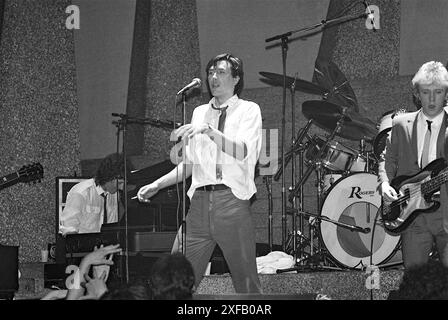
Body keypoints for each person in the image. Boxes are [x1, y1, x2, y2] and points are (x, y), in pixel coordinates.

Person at [137, 53, 263, 293]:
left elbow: (242, 150)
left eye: (221, 72)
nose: (214, 77)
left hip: (232, 202)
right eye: (211, 72)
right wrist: (157, 185)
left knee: (246, 282)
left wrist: (209, 130)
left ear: (236, 79)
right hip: (199, 205)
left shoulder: (249, 110)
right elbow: (189, 164)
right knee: (173, 277)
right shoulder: (199, 113)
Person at [378, 61, 448, 269]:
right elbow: (387, 158)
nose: (432, 98)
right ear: (417, 94)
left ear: (446, 94)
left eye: (438, 92)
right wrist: (384, 184)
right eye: (426, 92)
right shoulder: (401, 123)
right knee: (414, 280)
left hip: (445, 209)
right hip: (412, 212)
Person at [59, 153, 130, 235]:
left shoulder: (114, 195)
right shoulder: (81, 193)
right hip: (84, 246)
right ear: (109, 177)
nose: (121, 188)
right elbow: (68, 228)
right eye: (120, 183)